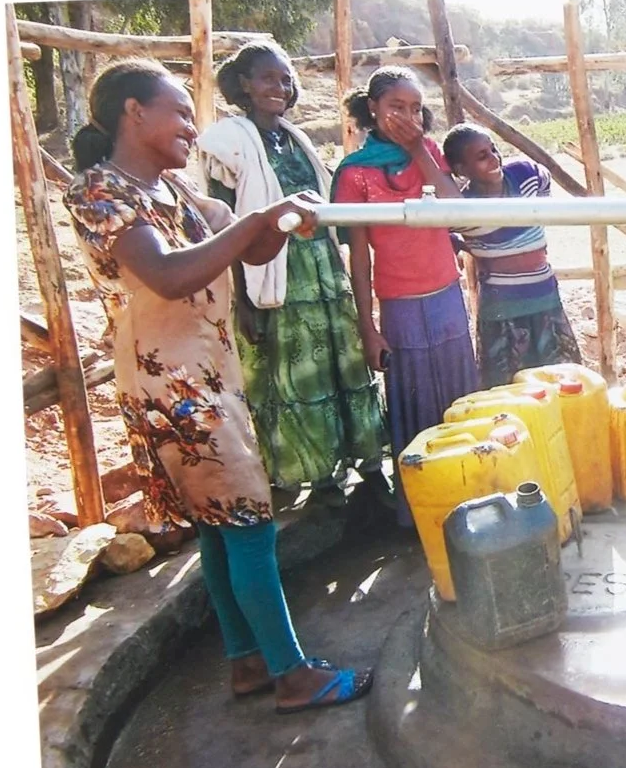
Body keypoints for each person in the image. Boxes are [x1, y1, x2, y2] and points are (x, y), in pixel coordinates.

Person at [63, 59, 371, 712]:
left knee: (217, 528)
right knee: (250, 524)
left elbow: (246, 251)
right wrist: (254, 220)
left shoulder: (174, 191)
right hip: (172, 385)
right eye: (177, 110)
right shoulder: (100, 191)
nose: (190, 126)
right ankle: (291, 674)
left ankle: (246, 664)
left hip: (208, 373)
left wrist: (278, 226)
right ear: (133, 112)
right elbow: (170, 275)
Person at [196, 41, 389, 510]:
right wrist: (244, 299)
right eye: (267, 78)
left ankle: (363, 472)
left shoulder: (294, 138)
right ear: (243, 84)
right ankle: (315, 481)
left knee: (343, 371)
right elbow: (228, 226)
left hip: (322, 273)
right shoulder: (228, 144)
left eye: (285, 79)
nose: (279, 88)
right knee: (295, 382)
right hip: (273, 279)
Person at [330, 66, 481, 528]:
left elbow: (457, 212)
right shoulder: (354, 174)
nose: (408, 116)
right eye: (396, 107)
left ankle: (471, 493)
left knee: (459, 396)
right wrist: (368, 326)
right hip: (398, 306)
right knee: (412, 403)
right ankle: (424, 511)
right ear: (372, 109)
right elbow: (359, 258)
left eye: (416, 108)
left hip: (446, 296)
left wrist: (419, 149)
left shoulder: (427, 154)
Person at [440, 123, 582, 386]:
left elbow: (545, 184)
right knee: (509, 389)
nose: (494, 158)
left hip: (545, 298)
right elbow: (443, 231)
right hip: (501, 309)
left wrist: (532, 228)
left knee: (562, 384)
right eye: (482, 156)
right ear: (461, 170)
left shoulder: (524, 175)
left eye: (494, 149)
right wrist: (466, 245)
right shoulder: (464, 210)